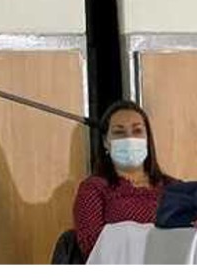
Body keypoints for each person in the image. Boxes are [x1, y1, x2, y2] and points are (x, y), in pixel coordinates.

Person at [73, 100, 176, 259]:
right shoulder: (93, 189)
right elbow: (91, 245)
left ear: (147, 139)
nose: (129, 138)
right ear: (106, 142)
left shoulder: (174, 188)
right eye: (119, 132)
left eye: (137, 131)